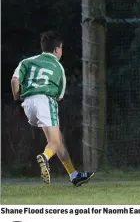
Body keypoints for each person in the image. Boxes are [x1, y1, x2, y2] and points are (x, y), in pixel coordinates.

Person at [11, 31, 95, 186]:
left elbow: (15, 80)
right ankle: (44, 156)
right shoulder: (58, 67)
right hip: (45, 100)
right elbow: (59, 97)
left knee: (58, 139)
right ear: (57, 49)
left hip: (27, 103)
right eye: (61, 49)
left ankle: (74, 175)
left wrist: (18, 102)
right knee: (54, 142)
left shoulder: (28, 61)